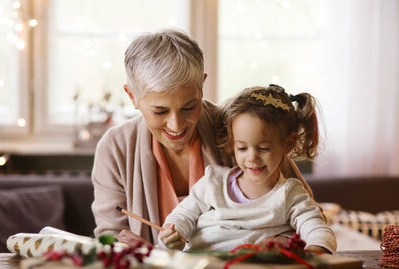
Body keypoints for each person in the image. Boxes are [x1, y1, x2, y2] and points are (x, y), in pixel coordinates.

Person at [92, 29, 311, 246]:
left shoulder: (240, 130)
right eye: (159, 111)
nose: (176, 125)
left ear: (202, 85)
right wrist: (144, 253)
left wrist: (278, 242)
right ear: (132, 96)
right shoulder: (115, 147)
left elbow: (307, 216)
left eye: (189, 106)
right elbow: (111, 236)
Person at [158, 85, 336, 253]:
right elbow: (183, 216)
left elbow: (316, 228)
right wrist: (173, 234)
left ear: (288, 144)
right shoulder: (213, 182)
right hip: (201, 264)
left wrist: (318, 248)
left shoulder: (290, 195)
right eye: (242, 148)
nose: (252, 158)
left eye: (264, 148)